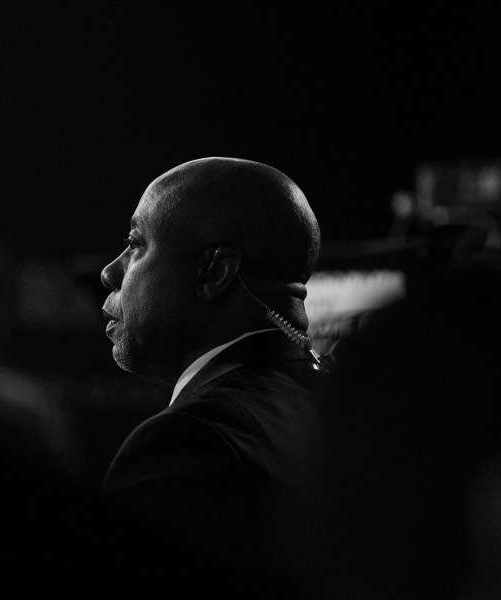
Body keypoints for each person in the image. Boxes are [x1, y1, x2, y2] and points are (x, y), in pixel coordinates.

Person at [99, 157, 330, 598]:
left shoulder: (187, 443)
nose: (112, 271)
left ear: (214, 272)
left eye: (136, 243)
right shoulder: (343, 407)